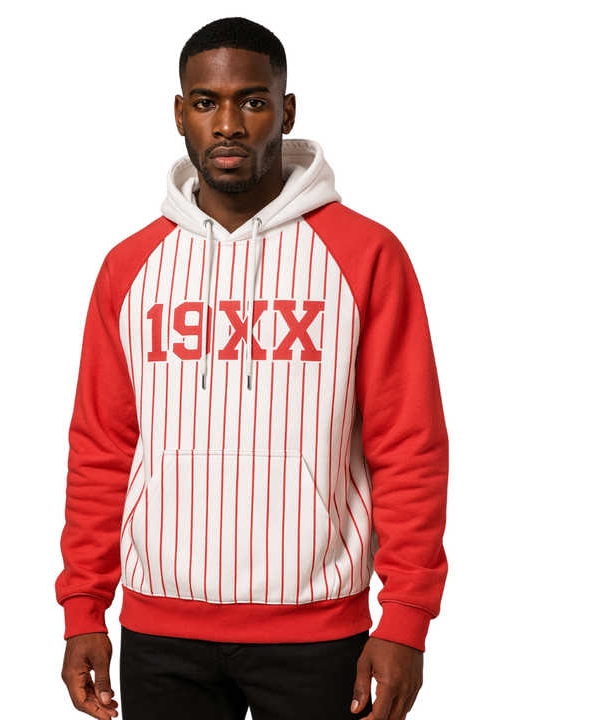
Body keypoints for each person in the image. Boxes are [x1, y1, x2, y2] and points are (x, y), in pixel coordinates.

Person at [55, 16, 449, 720]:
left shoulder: (365, 255)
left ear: (286, 112)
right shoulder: (130, 267)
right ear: (181, 114)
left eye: (253, 101)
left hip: (318, 631)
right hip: (160, 629)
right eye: (206, 102)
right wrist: (84, 607)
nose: (229, 124)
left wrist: (406, 618)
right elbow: (101, 447)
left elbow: (409, 444)